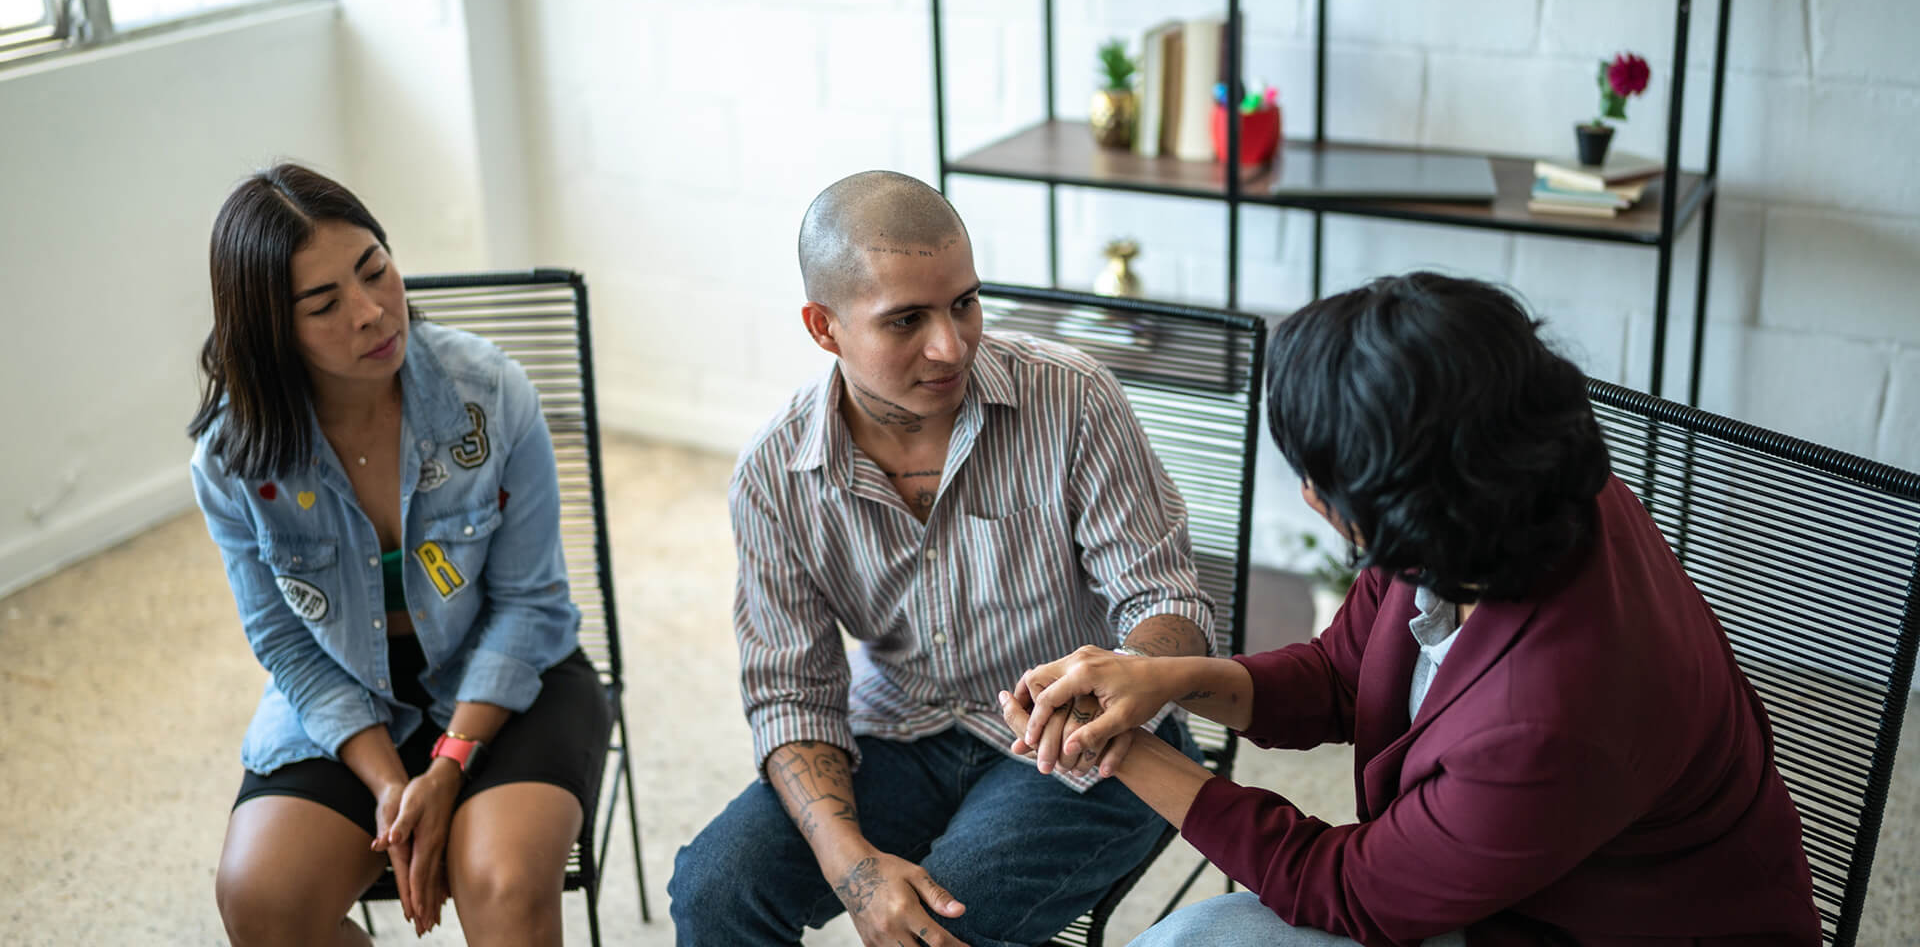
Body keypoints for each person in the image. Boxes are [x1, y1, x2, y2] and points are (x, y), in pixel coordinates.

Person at [1004, 272, 1820, 946]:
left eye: (1316, 480)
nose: (1308, 495)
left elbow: (1345, 887)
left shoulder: (1548, 715)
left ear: (1381, 507)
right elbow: (1339, 676)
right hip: (1521, 873)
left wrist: (1119, 751)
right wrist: (1163, 678)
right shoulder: (1496, 496)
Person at [668, 170, 1217, 947]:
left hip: (1087, 740)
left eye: (964, 302)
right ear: (824, 328)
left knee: (943, 920)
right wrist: (854, 868)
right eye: (905, 321)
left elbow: (1166, 602)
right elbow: (792, 692)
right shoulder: (773, 474)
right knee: (716, 888)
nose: (950, 344)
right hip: (899, 728)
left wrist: (1132, 675)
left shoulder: (1074, 399)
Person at [189, 164, 611, 947]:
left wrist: (445, 769)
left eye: (375, 268)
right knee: (260, 900)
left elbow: (531, 605)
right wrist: (391, 783)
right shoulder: (231, 458)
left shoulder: (490, 393)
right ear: (269, 330)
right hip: (346, 693)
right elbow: (283, 640)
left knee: (506, 885)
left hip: (507, 679)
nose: (373, 311)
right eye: (324, 304)